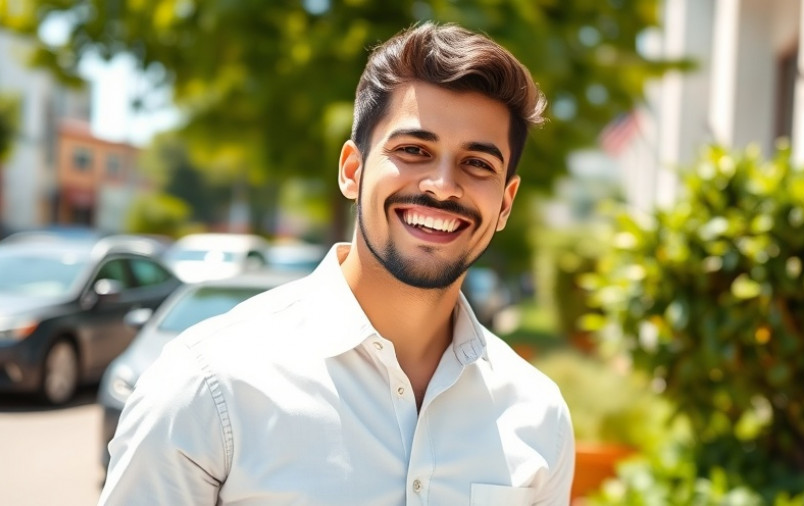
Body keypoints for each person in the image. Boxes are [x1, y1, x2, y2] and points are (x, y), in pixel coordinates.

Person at [99, 21, 575, 506]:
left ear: (505, 204)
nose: (441, 185)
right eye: (413, 150)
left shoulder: (539, 416)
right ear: (352, 170)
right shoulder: (207, 384)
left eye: (478, 164)